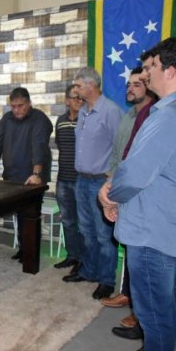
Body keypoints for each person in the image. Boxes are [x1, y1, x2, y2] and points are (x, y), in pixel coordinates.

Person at [100, 36, 176, 351]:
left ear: (170, 71)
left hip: (151, 231)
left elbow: (135, 173)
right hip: (161, 223)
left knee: (154, 315)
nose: (147, 74)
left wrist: (110, 196)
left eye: (153, 66)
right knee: (158, 309)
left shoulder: (170, 116)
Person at [101, 65, 158, 340]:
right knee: (128, 246)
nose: (130, 88)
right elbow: (118, 152)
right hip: (119, 185)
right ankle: (127, 295)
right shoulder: (129, 115)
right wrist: (110, 182)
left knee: (140, 252)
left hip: (138, 193)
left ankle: (140, 313)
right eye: (128, 84)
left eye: (137, 84)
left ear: (150, 86)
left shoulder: (154, 117)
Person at [61, 67, 123, 302]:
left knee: (103, 234)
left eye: (78, 85)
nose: (75, 90)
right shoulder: (84, 112)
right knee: (86, 231)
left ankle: (106, 280)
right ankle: (89, 271)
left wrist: (111, 180)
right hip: (81, 180)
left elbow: (120, 149)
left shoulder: (110, 111)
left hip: (101, 182)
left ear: (91, 85)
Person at [0, 87, 53, 262]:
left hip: (32, 177)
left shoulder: (39, 119)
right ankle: (23, 248)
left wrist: (36, 173)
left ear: (29, 103)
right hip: (12, 176)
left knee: (30, 214)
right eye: (13, 106)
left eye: (20, 106)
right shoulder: (7, 119)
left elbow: (39, 147)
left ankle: (31, 253)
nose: (16, 110)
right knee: (19, 214)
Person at [53, 85, 84, 270]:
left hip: (82, 181)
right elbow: (60, 144)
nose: (79, 100)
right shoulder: (60, 121)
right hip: (63, 180)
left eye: (81, 97)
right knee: (67, 220)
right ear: (66, 100)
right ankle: (72, 256)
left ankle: (84, 261)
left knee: (84, 223)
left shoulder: (87, 120)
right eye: (75, 97)